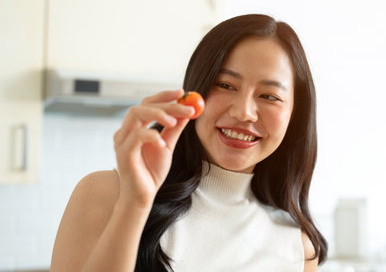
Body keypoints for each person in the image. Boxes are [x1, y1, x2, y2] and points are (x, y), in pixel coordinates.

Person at [50, 14, 328, 272]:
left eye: (269, 96)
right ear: (196, 91)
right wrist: (135, 204)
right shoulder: (107, 194)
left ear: (295, 115)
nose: (244, 112)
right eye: (225, 85)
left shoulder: (296, 248)